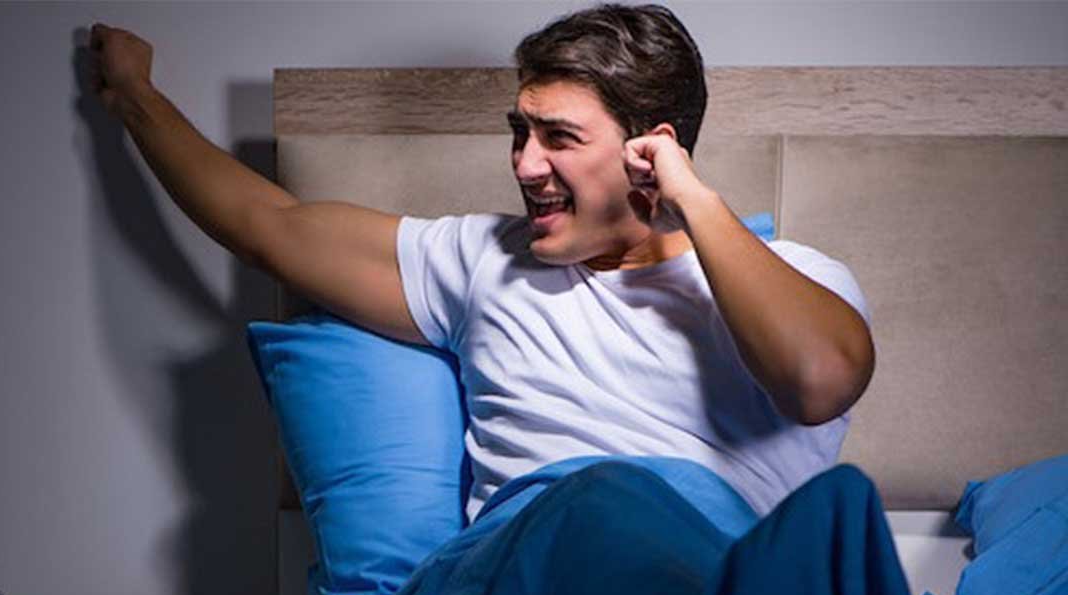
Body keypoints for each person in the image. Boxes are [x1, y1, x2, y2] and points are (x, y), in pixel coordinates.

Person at [88, 3, 874, 524]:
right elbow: (271, 227)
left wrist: (692, 200)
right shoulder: (481, 261)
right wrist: (134, 96)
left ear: (653, 150)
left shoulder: (798, 281)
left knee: (835, 540)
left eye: (558, 138)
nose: (525, 165)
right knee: (598, 513)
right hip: (532, 575)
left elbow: (818, 381)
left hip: (718, 593)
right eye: (519, 133)